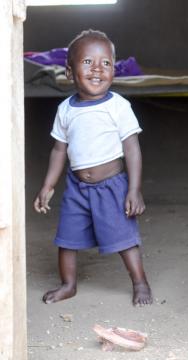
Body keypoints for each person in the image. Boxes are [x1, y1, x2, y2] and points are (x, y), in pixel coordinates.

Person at [34, 29, 153, 306]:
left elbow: (132, 148)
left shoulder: (118, 107)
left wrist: (134, 189)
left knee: (124, 238)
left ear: (114, 69)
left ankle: (140, 282)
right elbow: (59, 149)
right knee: (67, 239)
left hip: (112, 186)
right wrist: (48, 185)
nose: (97, 69)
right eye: (87, 62)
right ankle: (68, 284)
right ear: (69, 71)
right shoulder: (65, 109)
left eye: (106, 63)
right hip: (77, 189)